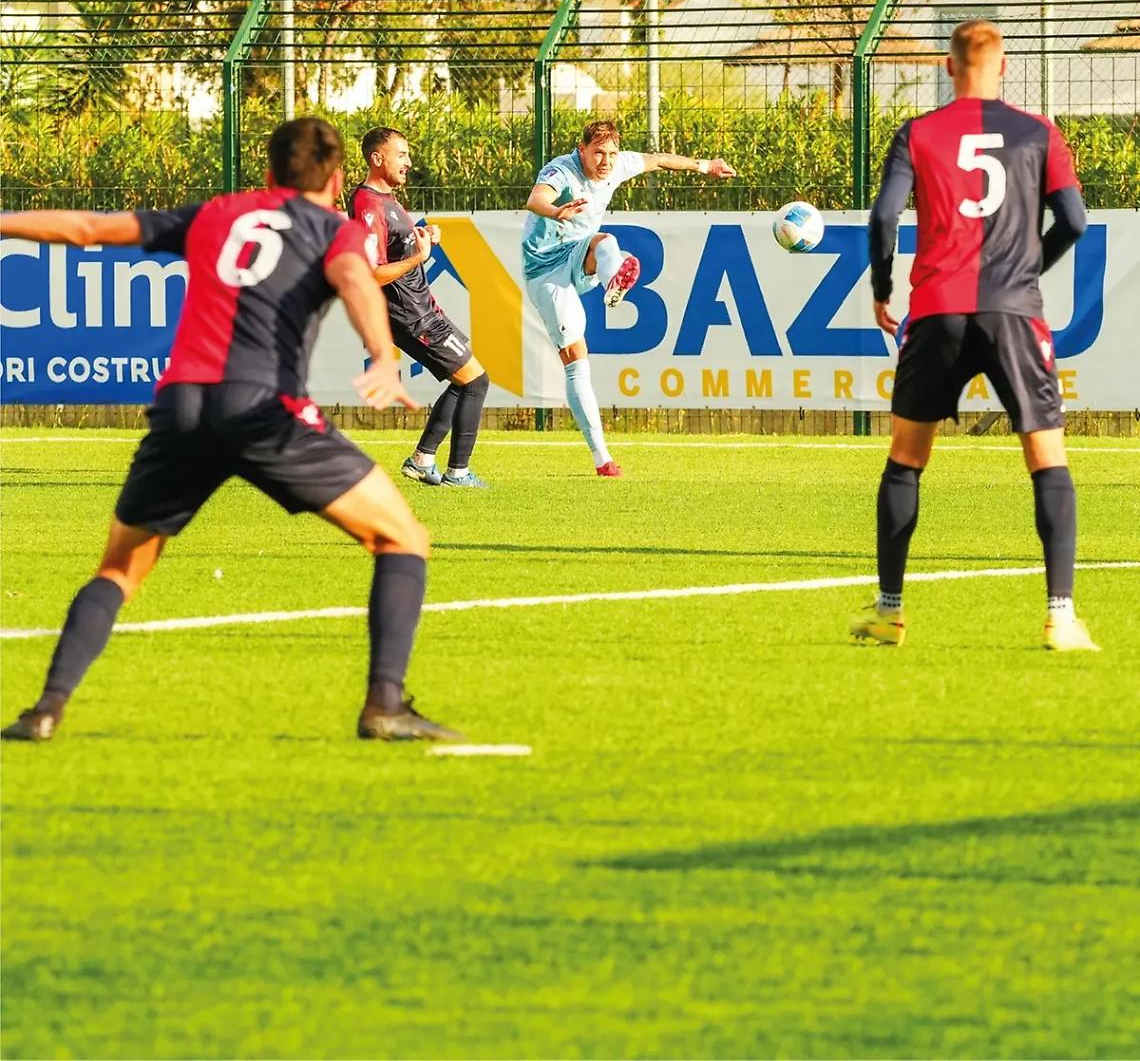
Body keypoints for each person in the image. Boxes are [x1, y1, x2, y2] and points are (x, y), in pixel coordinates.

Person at [0, 117, 463, 743]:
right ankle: (383, 704)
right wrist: (382, 353)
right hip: (265, 412)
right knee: (402, 538)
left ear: (269, 173)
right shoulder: (334, 229)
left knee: (118, 572)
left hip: (182, 411)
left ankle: (46, 709)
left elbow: (84, 230)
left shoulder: (216, 214)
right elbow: (357, 281)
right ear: (335, 180)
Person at [851, 19, 1095, 652]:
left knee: (907, 457)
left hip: (937, 310)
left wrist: (883, 288)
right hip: (1015, 311)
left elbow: (883, 217)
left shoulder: (919, 132)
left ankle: (889, 611)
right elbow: (1073, 219)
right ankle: (1060, 617)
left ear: (949, 66)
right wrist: (1028, 269)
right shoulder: (1039, 132)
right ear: (1004, 66)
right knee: (1047, 458)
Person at [523, 120, 736, 476]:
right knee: (576, 358)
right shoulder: (562, 170)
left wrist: (704, 166)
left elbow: (657, 160)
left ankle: (613, 282)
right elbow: (535, 199)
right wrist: (556, 210)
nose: (605, 161)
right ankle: (601, 458)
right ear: (582, 150)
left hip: (578, 252)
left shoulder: (617, 165)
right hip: (545, 268)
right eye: (598, 153)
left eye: (611, 153)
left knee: (604, 242)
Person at [348, 128, 490, 489]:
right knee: (476, 380)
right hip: (410, 315)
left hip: (423, 309)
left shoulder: (388, 200)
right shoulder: (367, 204)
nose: (408, 162)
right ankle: (457, 472)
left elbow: (399, 249)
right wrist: (419, 258)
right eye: (401, 155)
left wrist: (423, 239)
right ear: (377, 158)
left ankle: (423, 459)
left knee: (465, 380)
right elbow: (371, 273)